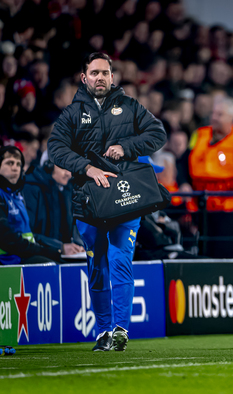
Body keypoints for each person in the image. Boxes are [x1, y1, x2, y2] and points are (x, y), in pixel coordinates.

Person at [47, 53, 166, 352]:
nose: (100, 77)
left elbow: (158, 134)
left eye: (105, 73)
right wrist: (87, 168)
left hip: (125, 198)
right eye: (94, 72)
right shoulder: (72, 114)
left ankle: (121, 329)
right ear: (84, 77)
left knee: (120, 259)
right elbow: (56, 148)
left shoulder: (130, 107)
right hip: (88, 200)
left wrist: (125, 147)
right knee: (97, 266)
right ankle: (102, 332)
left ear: (113, 77)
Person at [181, 97, 233, 258]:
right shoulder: (199, 135)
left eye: (220, 114)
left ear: (231, 118)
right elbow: (183, 163)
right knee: (205, 250)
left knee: (225, 249)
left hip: (230, 205)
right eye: (213, 113)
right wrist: (184, 183)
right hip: (202, 204)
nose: (214, 118)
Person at [0, 146, 62, 265]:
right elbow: (6, 238)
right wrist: (42, 251)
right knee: (50, 265)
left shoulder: (18, 196)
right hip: (8, 260)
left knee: (67, 262)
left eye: (18, 164)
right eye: (9, 163)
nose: (15, 168)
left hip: (23, 256)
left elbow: (29, 235)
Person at [22, 160, 85, 256]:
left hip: (59, 254)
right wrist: (60, 247)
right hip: (38, 254)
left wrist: (78, 246)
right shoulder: (31, 189)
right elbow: (28, 235)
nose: (68, 174)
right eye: (63, 168)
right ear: (49, 166)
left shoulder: (66, 190)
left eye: (70, 169)